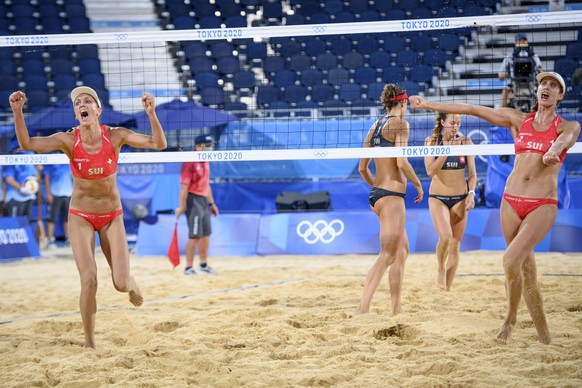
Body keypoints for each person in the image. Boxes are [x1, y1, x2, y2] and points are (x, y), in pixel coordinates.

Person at [409, 71, 581, 345]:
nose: (546, 87)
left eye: (553, 85)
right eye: (543, 84)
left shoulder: (566, 125)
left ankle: (509, 321)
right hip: (510, 200)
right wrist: (428, 105)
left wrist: (554, 149)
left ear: (560, 95)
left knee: (510, 260)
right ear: (537, 92)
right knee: (527, 271)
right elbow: (470, 109)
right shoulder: (518, 120)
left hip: (542, 204)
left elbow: (568, 139)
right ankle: (544, 336)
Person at [9, 86, 167, 348]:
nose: (82, 105)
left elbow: (159, 144)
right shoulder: (69, 140)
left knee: (119, 283)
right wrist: (18, 112)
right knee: (89, 279)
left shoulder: (116, 136)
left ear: (98, 110)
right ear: (76, 114)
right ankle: (89, 342)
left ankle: (129, 281)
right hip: (80, 215)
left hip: (111, 216)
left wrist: (150, 113)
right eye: (77, 103)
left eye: (87, 101)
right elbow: (28, 144)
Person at [353, 84, 424, 317]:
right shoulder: (401, 124)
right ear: (403, 103)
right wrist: (418, 183)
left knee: (401, 251)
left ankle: (396, 309)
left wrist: (377, 189)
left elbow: (363, 168)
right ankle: (362, 308)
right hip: (392, 196)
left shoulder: (373, 128)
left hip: (377, 195)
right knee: (388, 255)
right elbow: (402, 163)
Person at [424, 113, 477, 291]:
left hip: (460, 198)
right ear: (442, 122)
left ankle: (446, 288)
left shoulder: (465, 142)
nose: (456, 126)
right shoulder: (431, 141)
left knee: (455, 244)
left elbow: (472, 174)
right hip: (438, 197)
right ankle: (440, 268)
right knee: (445, 237)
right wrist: (446, 151)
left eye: (459, 123)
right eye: (452, 123)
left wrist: (471, 193)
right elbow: (430, 171)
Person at [175, 134, 219, 275]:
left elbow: (206, 185)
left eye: (210, 145)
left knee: (206, 234)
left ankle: (203, 264)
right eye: (207, 146)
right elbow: (183, 187)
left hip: (204, 200)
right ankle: (188, 267)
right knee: (194, 235)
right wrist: (182, 206)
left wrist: (212, 203)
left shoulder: (206, 160)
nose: (210, 148)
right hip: (192, 200)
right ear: (198, 146)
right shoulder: (190, 161)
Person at [498, 33, 543, 109]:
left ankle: (542, 112)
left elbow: (541, 71)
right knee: (505, 90)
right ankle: (501, 113)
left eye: (524, 40)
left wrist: (537, 71)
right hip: (514, 84)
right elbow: (500, 76)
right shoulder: (509, 57)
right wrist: (509, 73)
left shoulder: (534, 56)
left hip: (531, 83)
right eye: (519, 40)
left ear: (527, 42)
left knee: (541, 89)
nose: (522, 42)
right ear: (515, 42)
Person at [3, 142, 39, 222]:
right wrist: (22, 188)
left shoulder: (30, 155)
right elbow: (9, 179)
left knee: (26, 222)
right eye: (18, 147)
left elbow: (35, 175)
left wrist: (33, 184)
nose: (20, 149)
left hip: (29, 196)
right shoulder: (11, 158)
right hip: (14, 196)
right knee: (14, 222)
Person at [43, 162, 73, 248]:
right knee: (51, 218)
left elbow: (73, 178)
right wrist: (48, 194)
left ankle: (68, 239)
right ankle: (50, 240)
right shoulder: (51, 162)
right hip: (55, 194)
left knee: (68, 219)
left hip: (68, 194)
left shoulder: (69, 163)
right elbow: (46, 179)